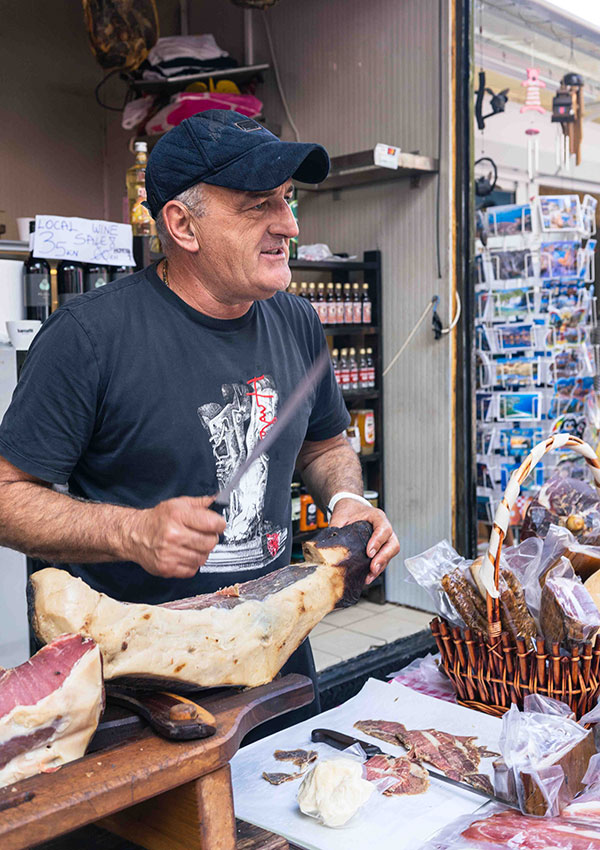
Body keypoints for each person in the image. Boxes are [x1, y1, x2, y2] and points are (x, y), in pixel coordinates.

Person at [0, 110, 399, 729]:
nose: (288, 226)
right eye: (258, 206)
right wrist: (128, 532)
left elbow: (324, 446)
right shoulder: (90, 337)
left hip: (277, 658)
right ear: (182, 224)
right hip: (143, 688)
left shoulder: (296, 322)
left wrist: (349, 498)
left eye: (288, 201)